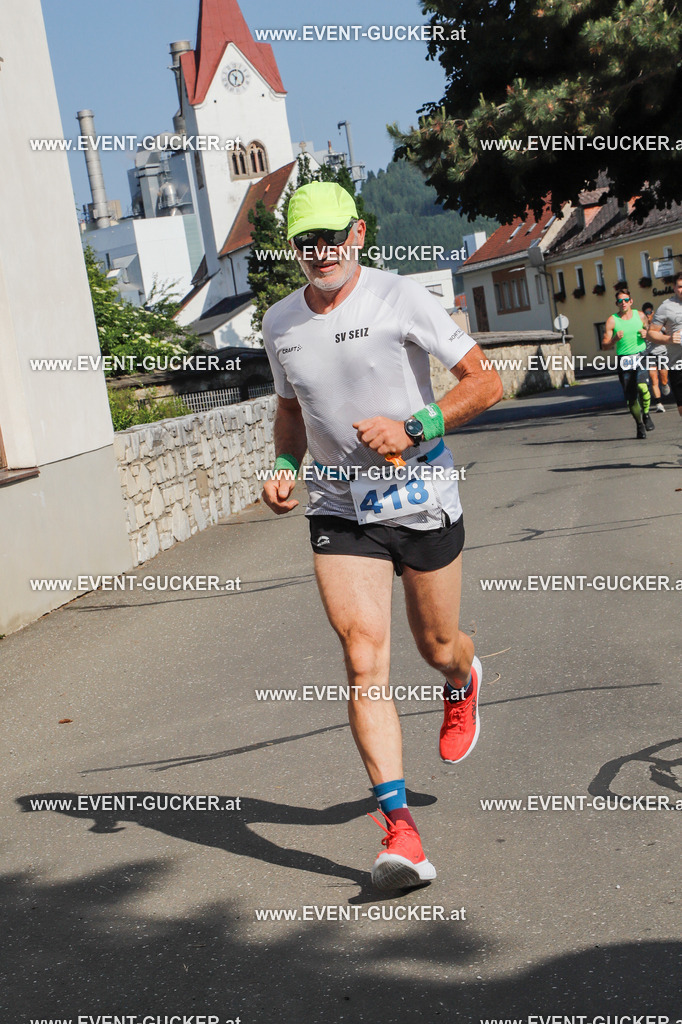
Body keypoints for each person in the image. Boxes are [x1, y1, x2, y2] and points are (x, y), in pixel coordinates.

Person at [260, 181, 503, 891]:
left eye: (333, 237)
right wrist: (284, 468)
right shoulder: (280, 322)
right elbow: (290, 411)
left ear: (358, 234)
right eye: (307, 242)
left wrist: (414, 427)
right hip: (338, 504)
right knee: (363, 660)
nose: (321, 252)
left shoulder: (399, 297)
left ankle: (463, 678)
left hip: (419, 493)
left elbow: (485, 382)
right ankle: (400, 833)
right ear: (293, 248)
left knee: (437, 646)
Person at [602, 288, 653, 439]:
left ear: (631, 301)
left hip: (640, 355)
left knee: (642, 387)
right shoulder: (612, 320)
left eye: (626, 300)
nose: (623, 303)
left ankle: (646, 414)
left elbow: (651, 331)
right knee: (631, 397)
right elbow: (604, 345)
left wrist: (646, 333)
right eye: (620, 301)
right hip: (624, 359)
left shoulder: (640, 315)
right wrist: (614, 339)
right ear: (617, 303)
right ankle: (639, 424)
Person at [646, 271, 682, 419]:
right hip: (677, 365)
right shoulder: (666, 307)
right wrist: (669, 339)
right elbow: (650, 333)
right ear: (674, 287)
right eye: (680, 286)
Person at [642, 301, 669, 412]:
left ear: (653, 312)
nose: (648, 314)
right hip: (649, 355)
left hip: (661, 353)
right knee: (653, 379)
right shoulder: (642, 326)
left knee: (663, 379)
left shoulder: (659, 324)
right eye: (646, 312)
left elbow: (668, 334)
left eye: (649, 312)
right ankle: (659, 404)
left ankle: (665, 384)